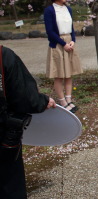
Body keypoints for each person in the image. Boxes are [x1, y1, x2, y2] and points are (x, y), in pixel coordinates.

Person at [0, 46, 56, 198]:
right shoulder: (3, 55)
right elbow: (25, 98)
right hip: (3, 140)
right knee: (8, 185)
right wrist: (43, 101)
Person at [44, 0, 82, 113]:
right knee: (59, 75)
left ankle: (69, 99)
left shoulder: (68, 9)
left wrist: (72, 41)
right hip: (58, 44)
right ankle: (62, 101)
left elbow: (71, 28)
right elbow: (50, 31)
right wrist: (63, 43)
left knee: (69, 74)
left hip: (68, 43)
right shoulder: (50, 10)